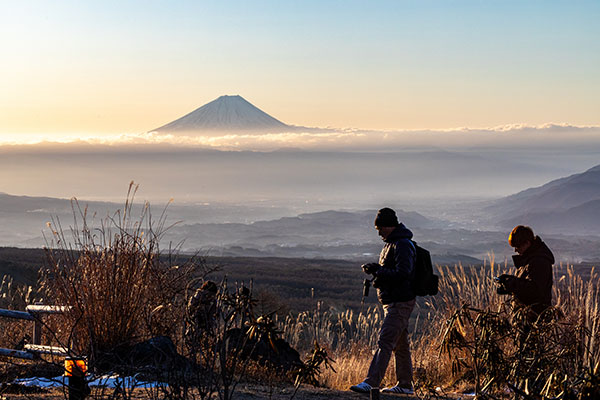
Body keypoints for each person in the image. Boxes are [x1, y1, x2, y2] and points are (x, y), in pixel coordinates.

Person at [350, 207, 417, 394]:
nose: (378, 232)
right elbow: (395, 270)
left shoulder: (401, 244)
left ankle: (371, 383)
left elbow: (404, 273)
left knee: (385, 341)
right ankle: (405, 385)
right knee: (400, 345)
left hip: (400, 302)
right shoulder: (393, 243)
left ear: (388, 226)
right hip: (394, 301)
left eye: (380, 228)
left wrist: (378, 271)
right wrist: (377, 269)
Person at [496, 225, 554, 318]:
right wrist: (508, 284)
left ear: (527, 243)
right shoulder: (529, 259)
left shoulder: (539, 261)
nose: (515, 250)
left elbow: (534, 291)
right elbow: (525, 286)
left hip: (536, 318)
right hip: (528, 316)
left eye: (518, 246)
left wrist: (511, 283)